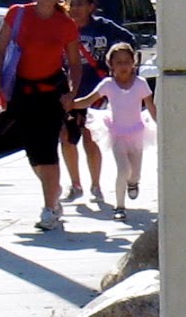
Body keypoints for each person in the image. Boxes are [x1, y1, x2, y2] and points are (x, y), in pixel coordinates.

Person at [0, 0, 83, 232]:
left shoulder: (66, 23)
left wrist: (71, 93)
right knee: (33, 153)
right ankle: (53, 191)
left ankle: (49, 208)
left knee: (47, 149)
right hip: (21, 91)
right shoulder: (17, 14)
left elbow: (75, 64)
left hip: (51, 93)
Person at [60, 0, 135, 205]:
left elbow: (128, 41)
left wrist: (118, 66)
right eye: (72, 4)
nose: (75, 9)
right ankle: (75, 185)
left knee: (90, 138)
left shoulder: (103, 27)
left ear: (91, 7)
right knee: (66, 137)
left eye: (80, 4)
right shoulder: (63, 27)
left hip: (96, 92)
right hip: (68, 91)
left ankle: (95, 185)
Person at [65, 41, 156, 221]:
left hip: (137, 132)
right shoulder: (108, 84)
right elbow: (88, 100)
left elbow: (151, 107)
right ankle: (119, 206)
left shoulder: (141, 84)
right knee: (122, 169)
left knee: (135, 172)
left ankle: (133, 183)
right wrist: (72, 104)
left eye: (126, 62)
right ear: (111, 65)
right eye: (118, 62)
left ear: (133, 63)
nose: (123, 66)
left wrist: (160, 123)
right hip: (116, 133)